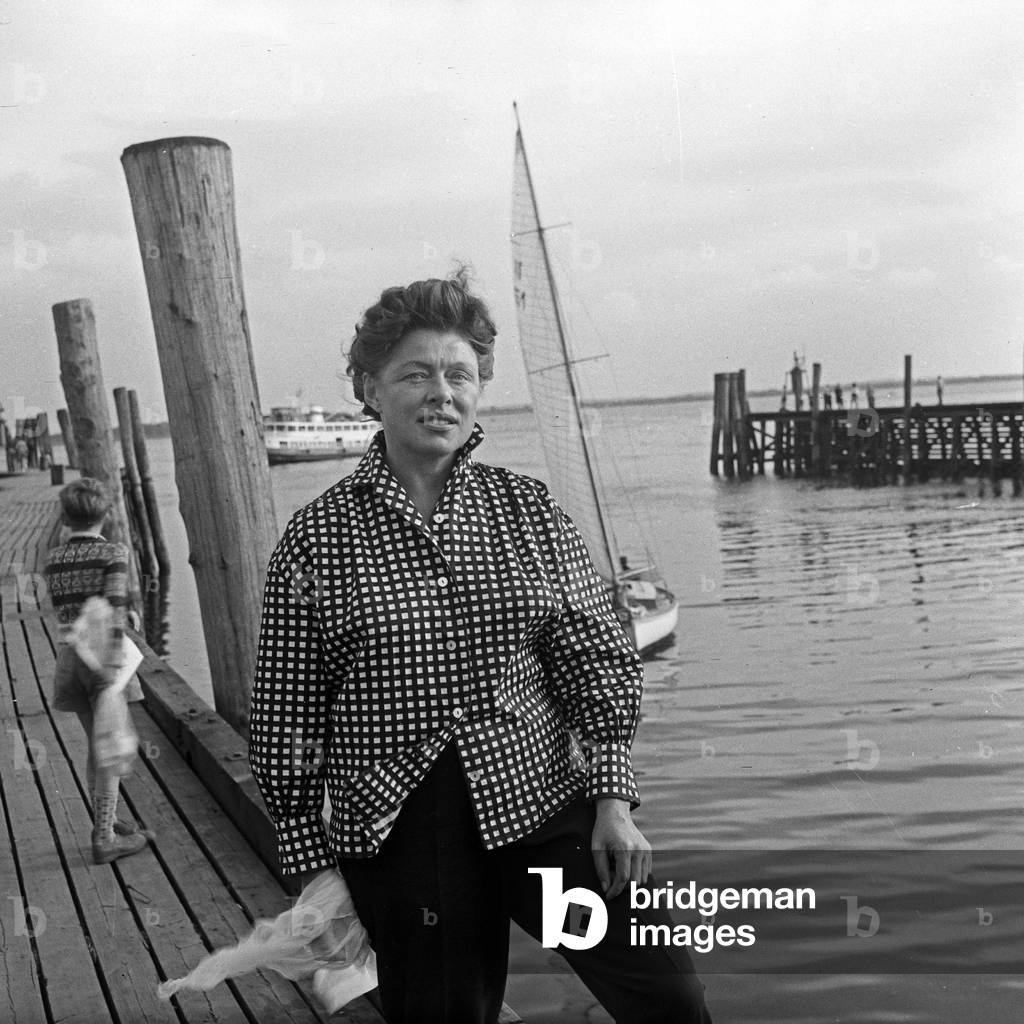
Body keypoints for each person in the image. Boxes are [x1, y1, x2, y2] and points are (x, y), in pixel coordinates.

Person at [249, 270, 712, 1024]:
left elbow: (595, 659)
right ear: (369, 388)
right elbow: (287, 716)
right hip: (403, 835)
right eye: (416, 374)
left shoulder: (528, 510)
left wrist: (613, 800)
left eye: (460, 374)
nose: (442, 393)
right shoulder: (316, 538)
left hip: (542, 807)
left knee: (669, 997)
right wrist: (312, 867)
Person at [45, 477, 153, 864]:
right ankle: (105, 838)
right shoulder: (114, 552)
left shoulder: (54, 558)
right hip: (101, 660)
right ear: (106, 514)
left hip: (69, 659)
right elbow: (115, 609)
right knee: (110, 751)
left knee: (96, 745)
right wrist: (112, 664)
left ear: (64, 517)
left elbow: (70, 608)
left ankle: (105, 821)